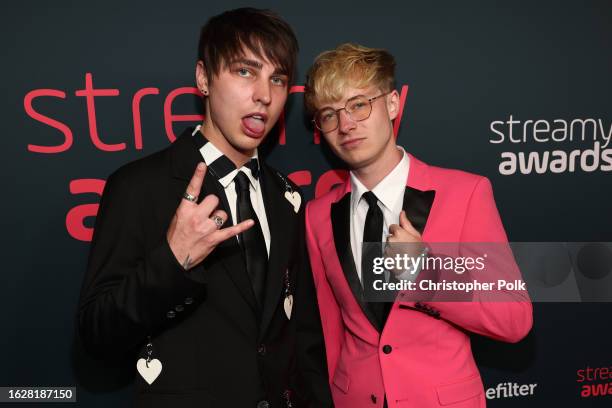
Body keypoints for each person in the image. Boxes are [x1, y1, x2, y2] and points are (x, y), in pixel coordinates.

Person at [78, 8, 332, 408]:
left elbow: (302, 339)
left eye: (278, 78)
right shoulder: (140, 186)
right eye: (245, 72)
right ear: (203, 79)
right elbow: (96, 336)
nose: (264, 95)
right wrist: (173, 260)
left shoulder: (287, 198)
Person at [303, 43, 533, 408]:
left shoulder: (466, 193)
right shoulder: (316, 215)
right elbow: (330, 334)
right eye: (329, 114)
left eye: (359, 104)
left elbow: (514, 317)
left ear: (392, 103)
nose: (346, 124)